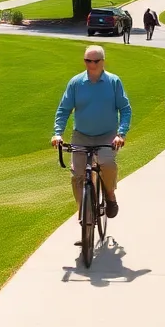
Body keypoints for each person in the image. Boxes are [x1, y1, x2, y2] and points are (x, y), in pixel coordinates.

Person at [51, 45, 132, 229]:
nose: (92, 64)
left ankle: (110, 195)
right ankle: (84, 215)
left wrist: (121, 134)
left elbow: (125, 109)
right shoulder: (76, 83)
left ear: (103, 62)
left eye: (96, 61)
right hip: (81, 135)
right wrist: (58, 133)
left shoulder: (113, 82)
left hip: (107, 136)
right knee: (78, 176)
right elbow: (64, 110)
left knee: (107, 164)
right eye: (88, 60)